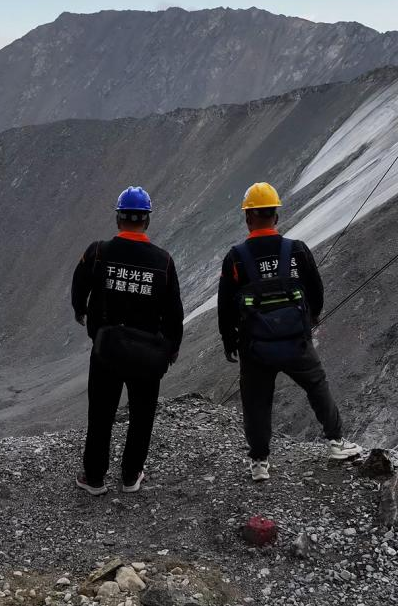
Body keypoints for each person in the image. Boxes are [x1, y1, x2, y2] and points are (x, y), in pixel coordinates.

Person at [217, 182, 362, 482]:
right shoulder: (296, 250)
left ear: (248, 218)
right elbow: (316, 291)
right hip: (296, 342)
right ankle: (336, 442)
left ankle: (259, 463)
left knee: (256, 402)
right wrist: (310, 320)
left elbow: (225, 306)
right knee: (316, 385)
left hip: (255, 347)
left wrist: (230, 340)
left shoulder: (235, 258)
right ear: (276, 216)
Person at [70, 186, 184, 495]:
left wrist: (80, 310)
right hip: (147, 353)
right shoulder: (163, 261)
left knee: (101, 414)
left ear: (119, 218)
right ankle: (131, 476)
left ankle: (94, 478)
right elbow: (174, 311)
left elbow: (79, 284)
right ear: (146, 220)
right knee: (142, 415)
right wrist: (171, 348)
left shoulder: (98, 252)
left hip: (106, 349)